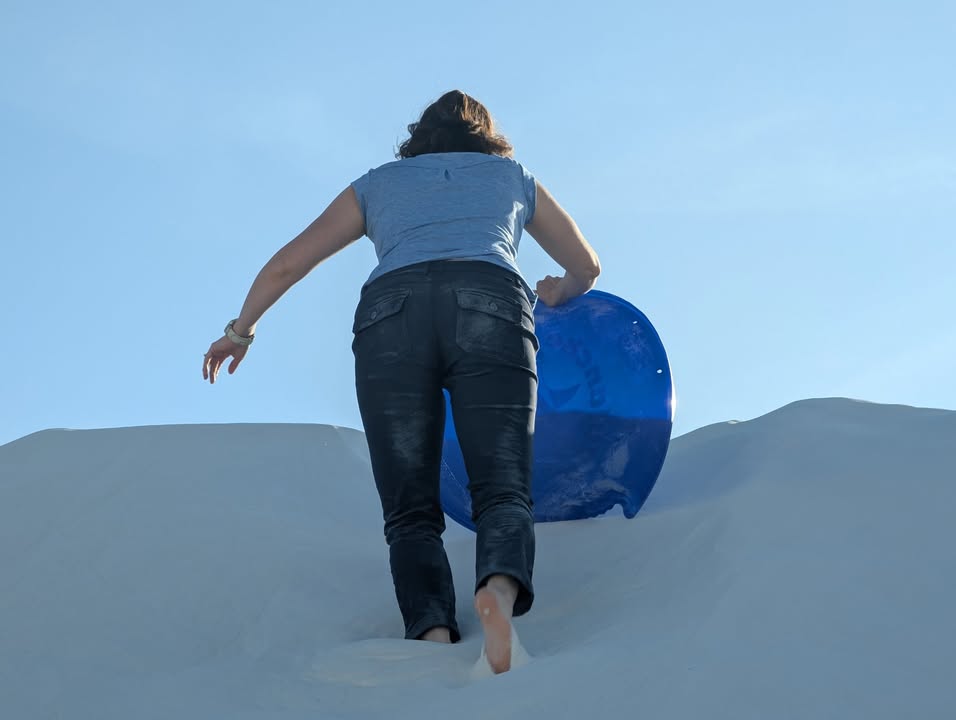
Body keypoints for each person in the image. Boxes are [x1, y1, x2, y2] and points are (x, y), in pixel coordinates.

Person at [202, 90, 600, 674]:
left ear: (419, 138)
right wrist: (560, 291)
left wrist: (240, 331)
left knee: (408, 505)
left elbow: (290, 262)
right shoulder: (511, 178)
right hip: (490, 301)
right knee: (502, 487)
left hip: (391, 316)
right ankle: (497, 590)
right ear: (487, 138)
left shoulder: (378, 184)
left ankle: (432, 630)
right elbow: (586, 264)